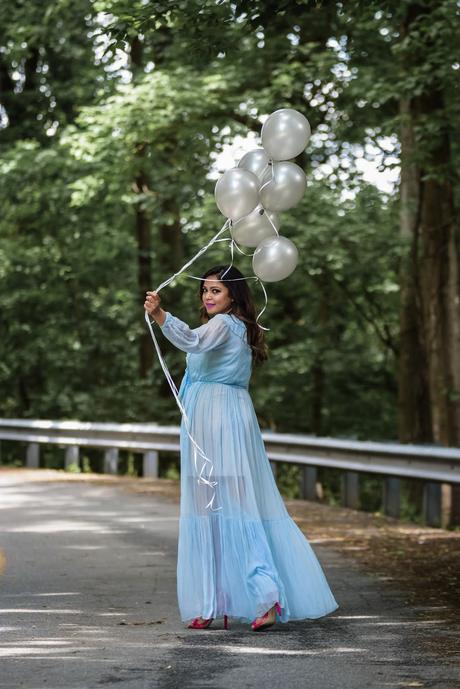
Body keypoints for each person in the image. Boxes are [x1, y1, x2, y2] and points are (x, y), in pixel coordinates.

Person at [144, 264, 339, 631]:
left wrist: (160, 315)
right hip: (212, 418)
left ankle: (265, 595)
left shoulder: (224, 325)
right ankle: (212, 599)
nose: (207, 295)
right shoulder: (230, 326)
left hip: (219, 419)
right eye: (205, 290)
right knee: (212, 509)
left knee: (231, 504)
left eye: (216, 290)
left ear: (234, 294)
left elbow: (192, 342)